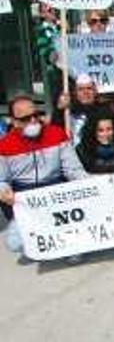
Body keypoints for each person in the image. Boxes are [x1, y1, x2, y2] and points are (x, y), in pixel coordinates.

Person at [0, 95, 87, 258]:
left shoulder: (57, 134)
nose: (33, 120)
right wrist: (4, 192)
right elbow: (1, 180)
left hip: (55, 189)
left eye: (36, 115)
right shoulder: (4, 145)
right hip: (24, 195)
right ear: (13, 121)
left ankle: (66, 240)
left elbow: (73, 170)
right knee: (15, 243)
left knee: (75, 250)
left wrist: (92, 185)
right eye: (25, 118)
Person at [54, 74, 112, 147]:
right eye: (81, 89)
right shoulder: (67, 111)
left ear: (95, 91)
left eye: (89, 88)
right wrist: (58, 111)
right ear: (75, 93)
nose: (85, 92)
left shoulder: (104, 111)